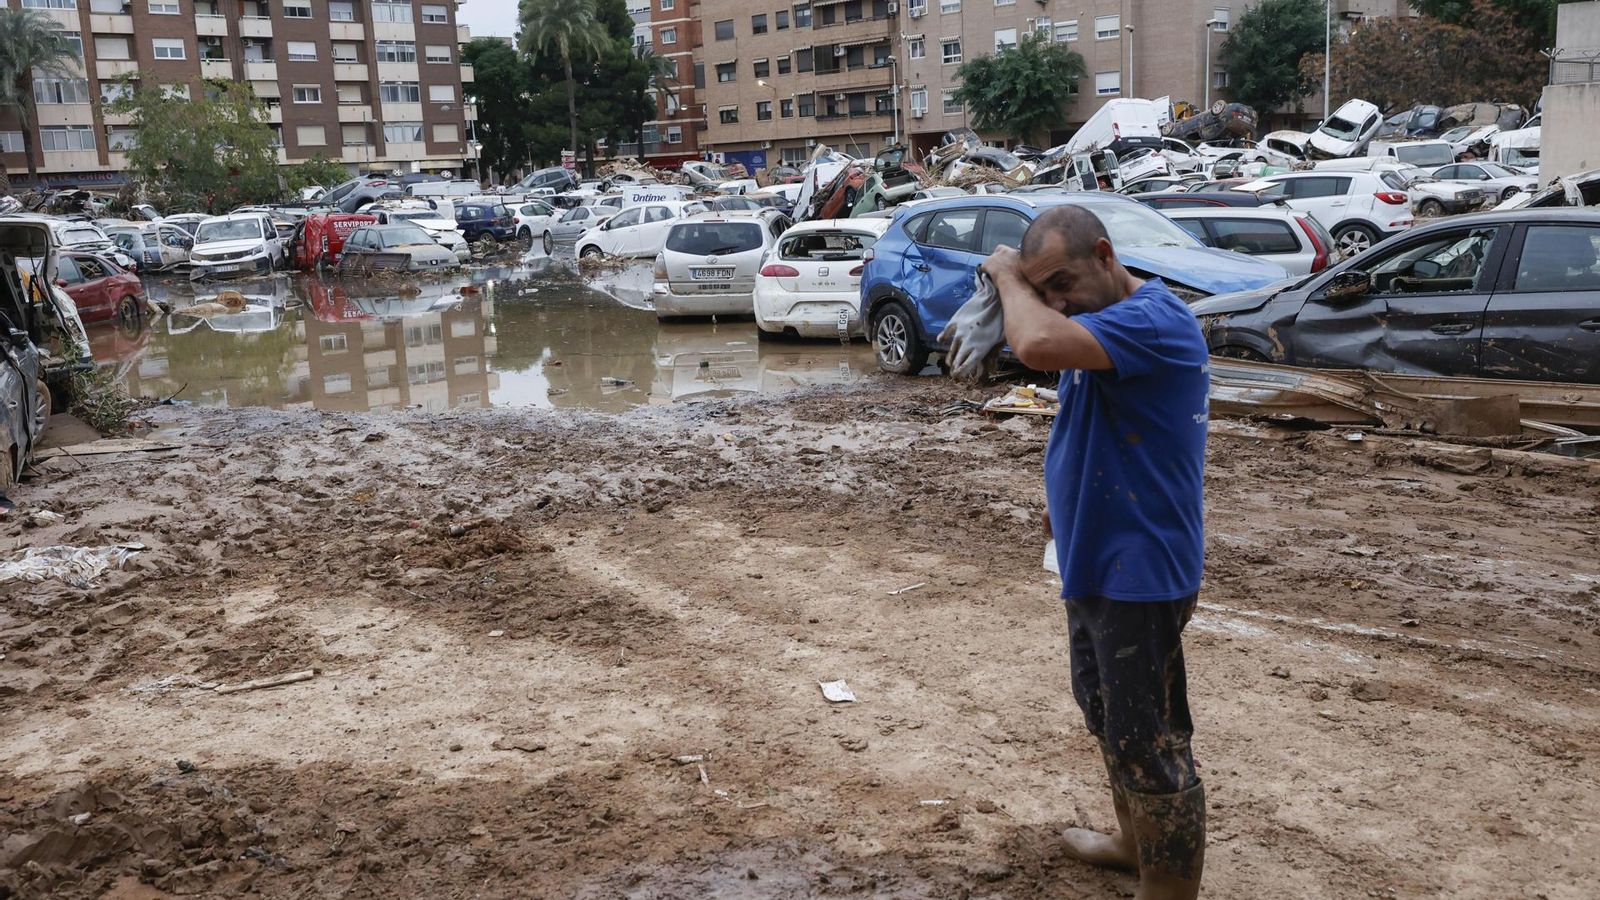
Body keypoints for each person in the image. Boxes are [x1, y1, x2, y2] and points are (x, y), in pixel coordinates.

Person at [979, 205, 1209, 900]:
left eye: (1063, 282)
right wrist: (1063, 496)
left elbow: (1037, 346)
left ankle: (1168, 887)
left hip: (1140, 569)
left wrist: (1006, 278)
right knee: (1106, 711)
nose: (1055, 300)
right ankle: (1134, 844)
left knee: (1151, 737)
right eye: (1044, 289)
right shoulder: (1103, 324)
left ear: (1106, 255)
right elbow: (1088, 413)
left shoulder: (1155, 320)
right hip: (1095, 554)